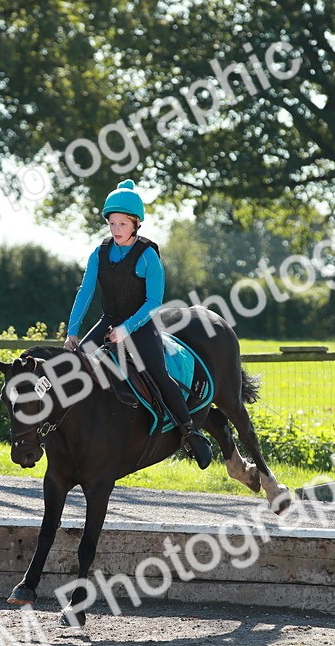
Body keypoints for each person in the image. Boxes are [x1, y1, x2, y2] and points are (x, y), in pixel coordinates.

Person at [64, 179, 215, 469]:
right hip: (108, 320)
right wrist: (73, 332)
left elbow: (154, 302)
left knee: (158, 373)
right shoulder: (99, 253)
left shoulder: (148, 256)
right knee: (77, 365)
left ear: (135, 224)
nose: (116, 229)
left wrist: (126, 329)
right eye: (112, 223)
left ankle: (190, 431)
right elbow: (85, 292)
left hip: (141, 324)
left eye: (122, 224)